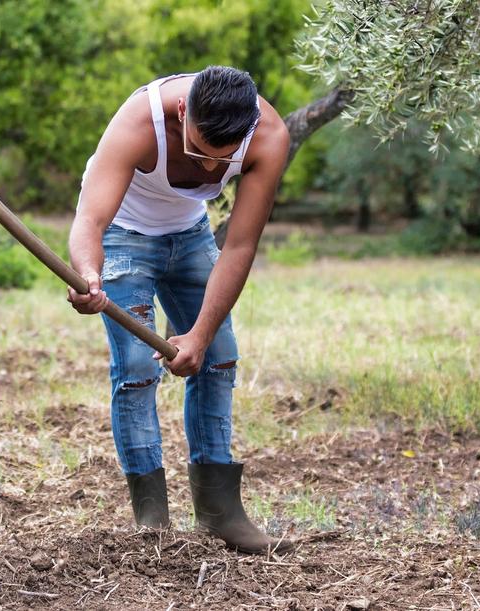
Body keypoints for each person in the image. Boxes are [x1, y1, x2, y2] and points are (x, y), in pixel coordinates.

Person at [67, 66, 292, 555]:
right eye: (199, 153)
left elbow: (239, 247)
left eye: (224, 158)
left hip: (190, 236)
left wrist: (200, 335)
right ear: (183, 112)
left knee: (218, 357)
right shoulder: (140, 121)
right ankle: (153, 523)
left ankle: (220, 514)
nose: (212, 170)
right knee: (136, 367)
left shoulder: (269, 136)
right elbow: (91, 217)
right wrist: (88, 273)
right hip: (122, 233)